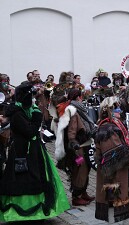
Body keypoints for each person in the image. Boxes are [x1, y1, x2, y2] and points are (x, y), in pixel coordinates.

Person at [0, 84, 69, 222]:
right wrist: (37, 117)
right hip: (22, 153)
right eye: (30, 97)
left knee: (38, 176)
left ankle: (39, 210)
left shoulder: (25, 111)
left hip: (32, 150)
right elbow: (30, 131)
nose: (33, 100)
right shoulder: (17, 114)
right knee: (25, 178)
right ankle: (24, 212)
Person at [94, 96, 129, 225]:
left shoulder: (115, 123)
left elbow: (124, 140)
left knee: (126, 191)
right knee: (112, 195)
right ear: (109, 109)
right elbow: (113, 152)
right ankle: (112, 221)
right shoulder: (106, 127)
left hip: (122, 167)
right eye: (116, 107)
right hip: (111, 170)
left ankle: (128, 218)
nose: (119, 109)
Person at [53, 88, 96, 206]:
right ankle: (76, 197)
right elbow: (71, 131)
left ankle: (83, 192)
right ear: (78, 97)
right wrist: (73, 143)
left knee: (86, 168)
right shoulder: (72, 111)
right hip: (78, 147)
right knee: (79, 170)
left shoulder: (79, 109)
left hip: (85, 144)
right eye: (81, 96)